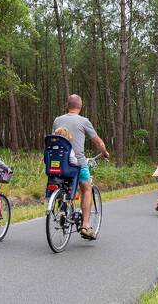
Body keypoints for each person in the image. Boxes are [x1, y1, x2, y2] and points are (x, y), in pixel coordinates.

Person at [52, 94, 109, 240]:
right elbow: (97, 141)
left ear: (67, 105)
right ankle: (85, 226)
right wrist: (104, 152)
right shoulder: (84, 121)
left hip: (58, 164)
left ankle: (63, 208)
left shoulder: (57, 120)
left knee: (62, 184)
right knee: (87, 188)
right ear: (80, 106)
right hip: (77, 163)